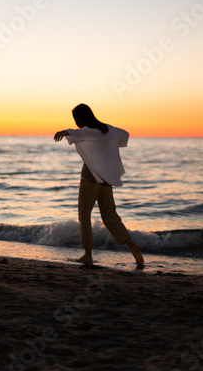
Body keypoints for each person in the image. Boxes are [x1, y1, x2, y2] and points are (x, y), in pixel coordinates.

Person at [54, 104, 144, 268]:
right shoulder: (107, 130)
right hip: (106, 177)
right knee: (109, 215)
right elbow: (124, 134)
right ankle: (132, 246)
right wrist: (110, 145)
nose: (76, 123)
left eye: (76, 120)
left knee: (84, 213)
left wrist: (65, 132)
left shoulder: (89, 130)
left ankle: (87, 254)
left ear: (81, 118)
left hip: (91, 175)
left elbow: (84, 132)